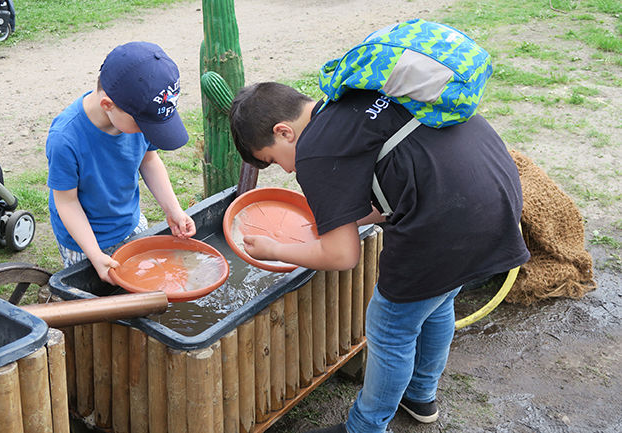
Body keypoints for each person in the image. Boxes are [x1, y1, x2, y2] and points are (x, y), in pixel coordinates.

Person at [229, 82, 530, 433]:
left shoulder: (315, 150)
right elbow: (396, 181)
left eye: (272, 159)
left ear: (284, 132)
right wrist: (338, 217)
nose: (286, 171)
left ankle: (365, 427)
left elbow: (342, 255)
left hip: (447, 222)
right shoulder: (353, 102)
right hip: (494, 194)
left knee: (390, 327)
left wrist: (274, 249)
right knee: (439, 296)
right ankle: (419, 395)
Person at [46, 41, 196, 285]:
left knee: (145, 284)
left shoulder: (132, 114)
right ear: (108, 105)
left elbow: (149, 160)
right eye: (144, 125)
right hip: (85, 242)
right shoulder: (65, 139)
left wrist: (173, 210)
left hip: (131, 222)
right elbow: (67, 202)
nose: (148, 132)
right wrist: (95, 255)